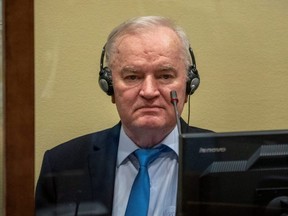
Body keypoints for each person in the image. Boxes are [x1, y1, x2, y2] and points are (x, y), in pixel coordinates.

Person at [35, 16, 212, 216]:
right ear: (109, 87)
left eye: (165, 76)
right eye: (132, 77)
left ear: (188, 86)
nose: (149, 91)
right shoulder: (62, 165)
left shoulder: (224, 160)